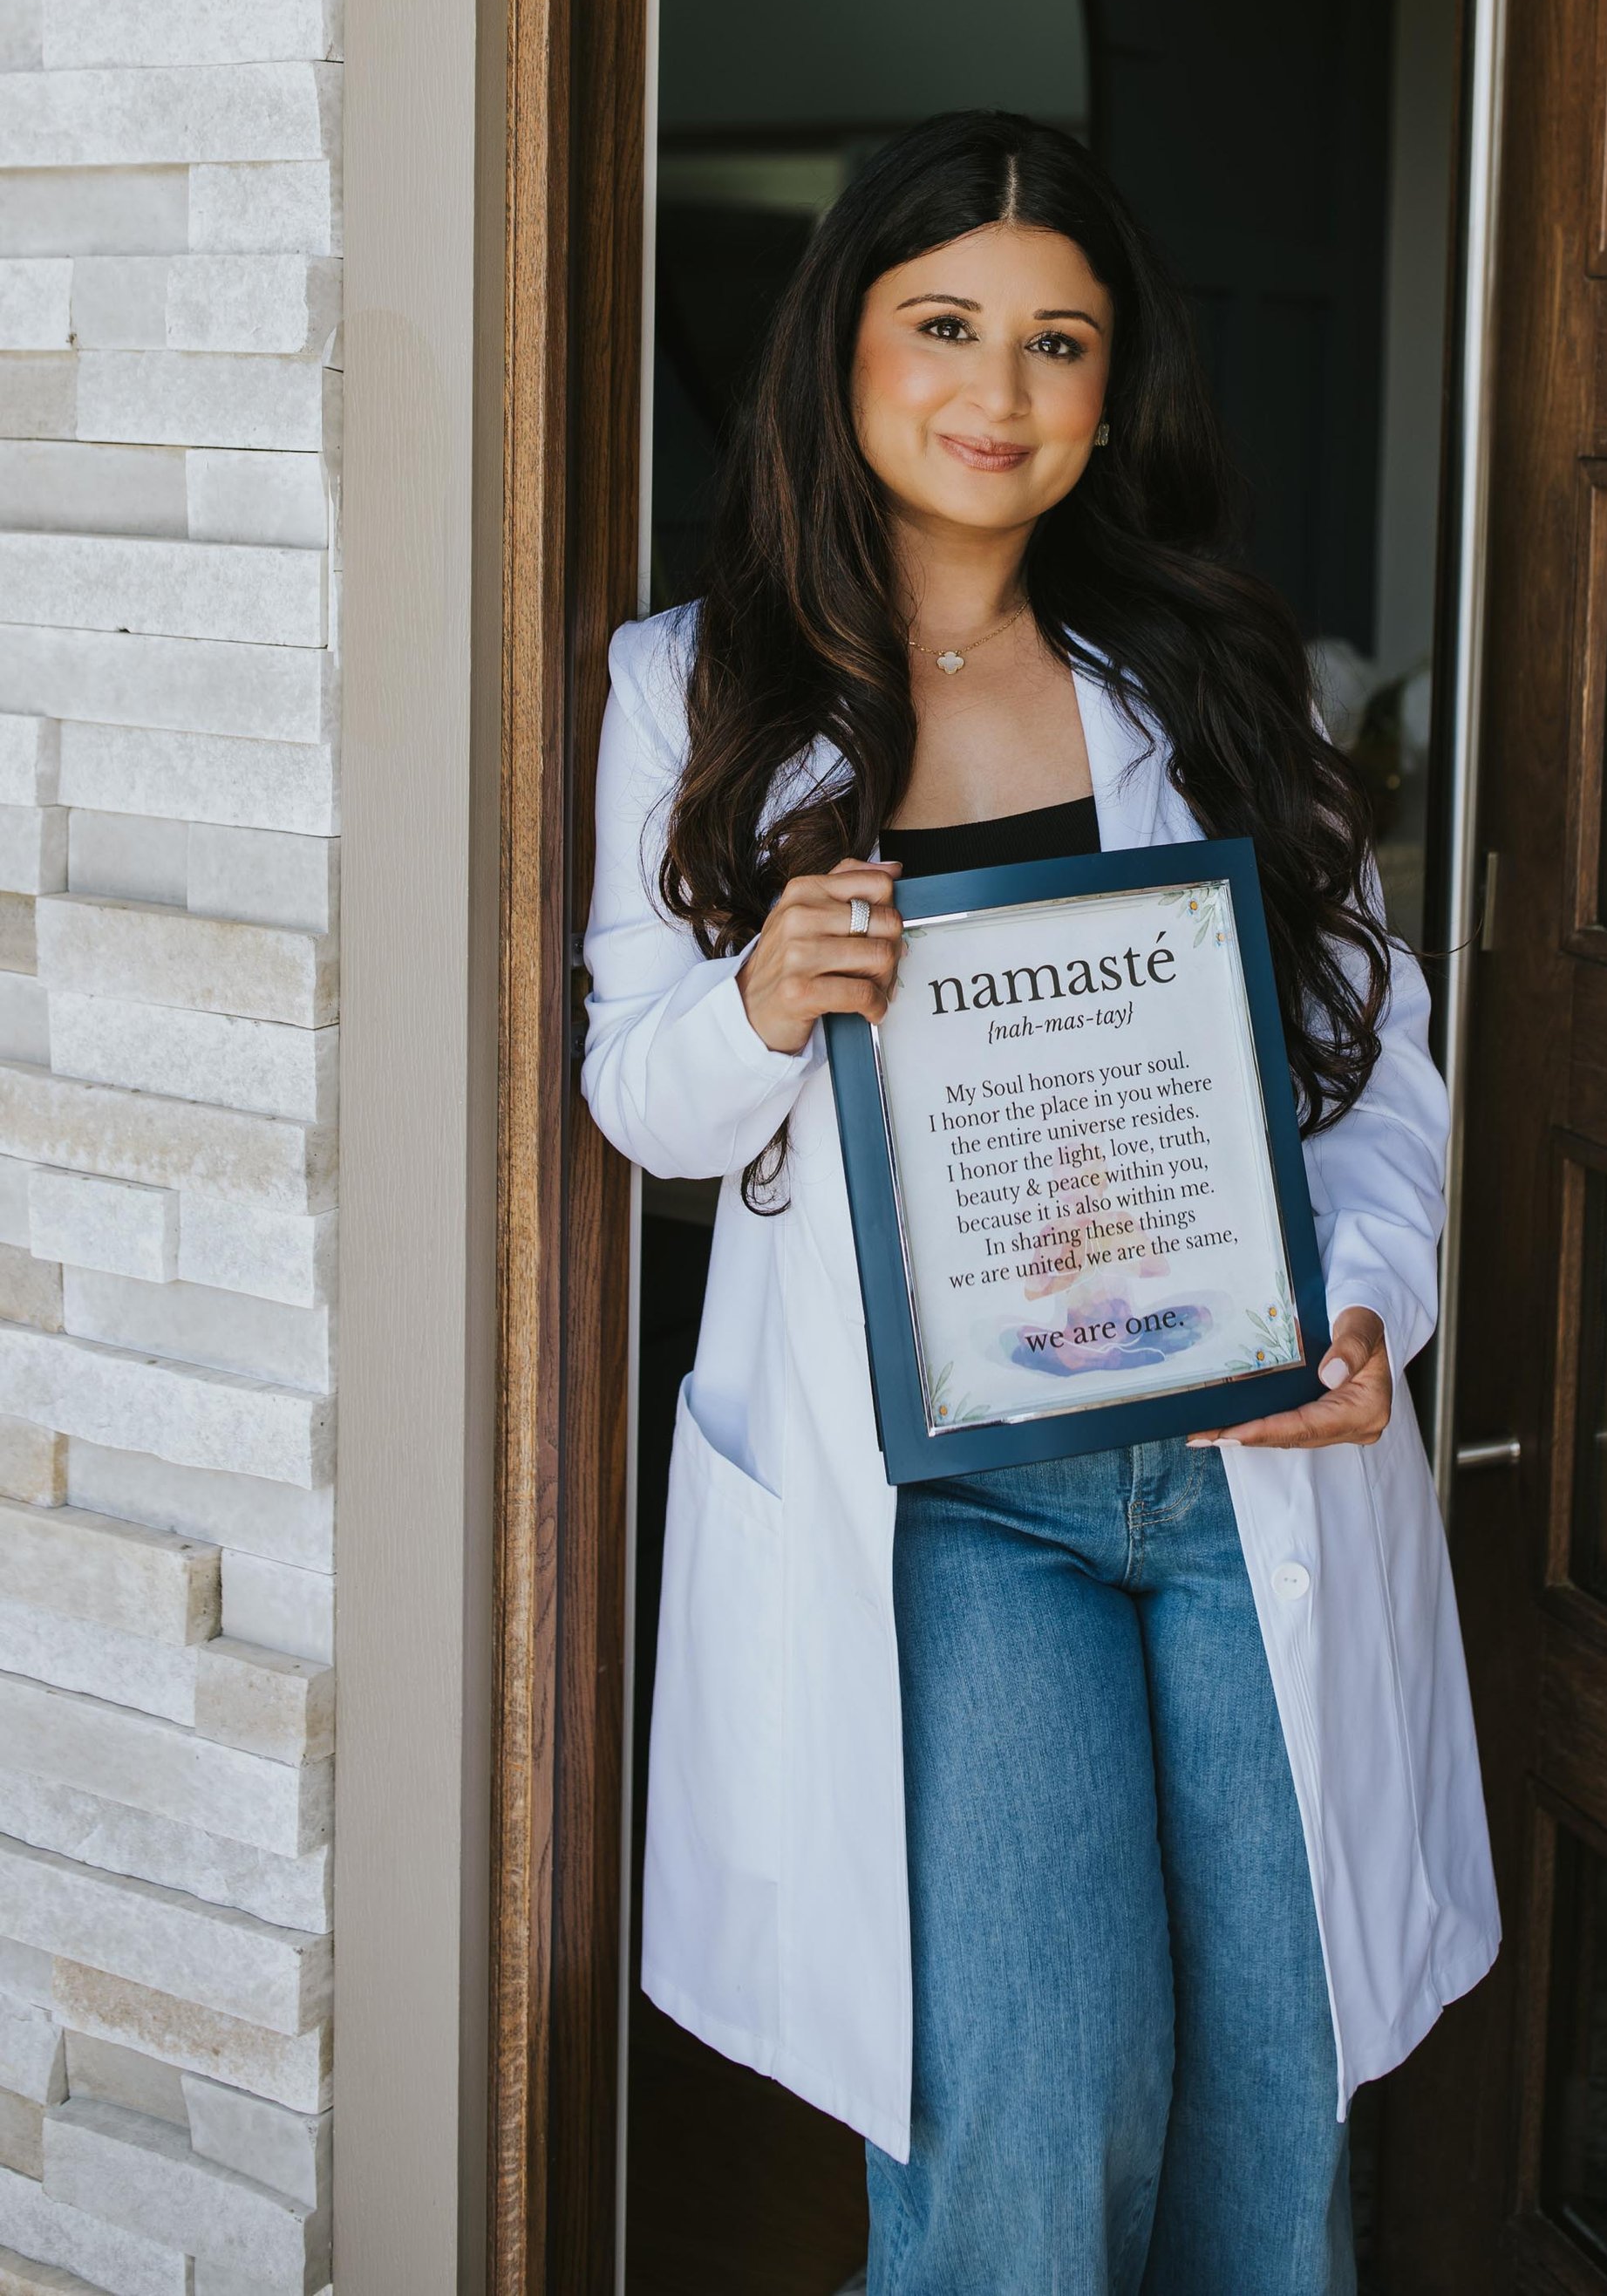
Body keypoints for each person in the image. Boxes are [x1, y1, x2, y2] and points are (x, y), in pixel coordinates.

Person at [582, 112, 1498, 2296]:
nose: (996, 391)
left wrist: (1364, 1307)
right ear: (843, 350)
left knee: (1273, 2105)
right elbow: (640, 1095)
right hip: (955, 1501)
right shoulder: (687, 688)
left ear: (1112, 388)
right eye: (944, 326)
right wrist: (759, 1002)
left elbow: (1374, 1061)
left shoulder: (1220, 677)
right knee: (1026, 2104)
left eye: (1056, 343)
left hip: (1235, 1454)